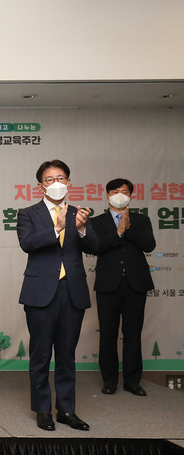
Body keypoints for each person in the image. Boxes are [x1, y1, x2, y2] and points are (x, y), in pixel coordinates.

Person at [17, 159, 99, 432]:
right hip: (40, 292)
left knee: (67, 355)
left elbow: (96, 247)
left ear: (69, 182)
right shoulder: (28, 213)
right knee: (40, 355)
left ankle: (66, 410)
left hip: (72, 291)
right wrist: (57, 228)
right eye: (50, 180)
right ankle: (43, 410)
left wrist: (82, 229)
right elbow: (27, 243)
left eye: (60, 178)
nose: (56, 183)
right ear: (40, 185)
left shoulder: (80, 213)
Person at [90, 178, 155, 396]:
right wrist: (117, 232)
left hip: (135, 284)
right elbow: (95, 247)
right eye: (115, 191)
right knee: (107, 334)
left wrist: (128, 228)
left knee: (133, 333)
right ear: (107, 195)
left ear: (131, 196)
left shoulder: (141, 220)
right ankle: (109, 380)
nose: (120, 195)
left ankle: (132, 381)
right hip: (108, 284)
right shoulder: (97, 222)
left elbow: (149, 245)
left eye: (125, 192)